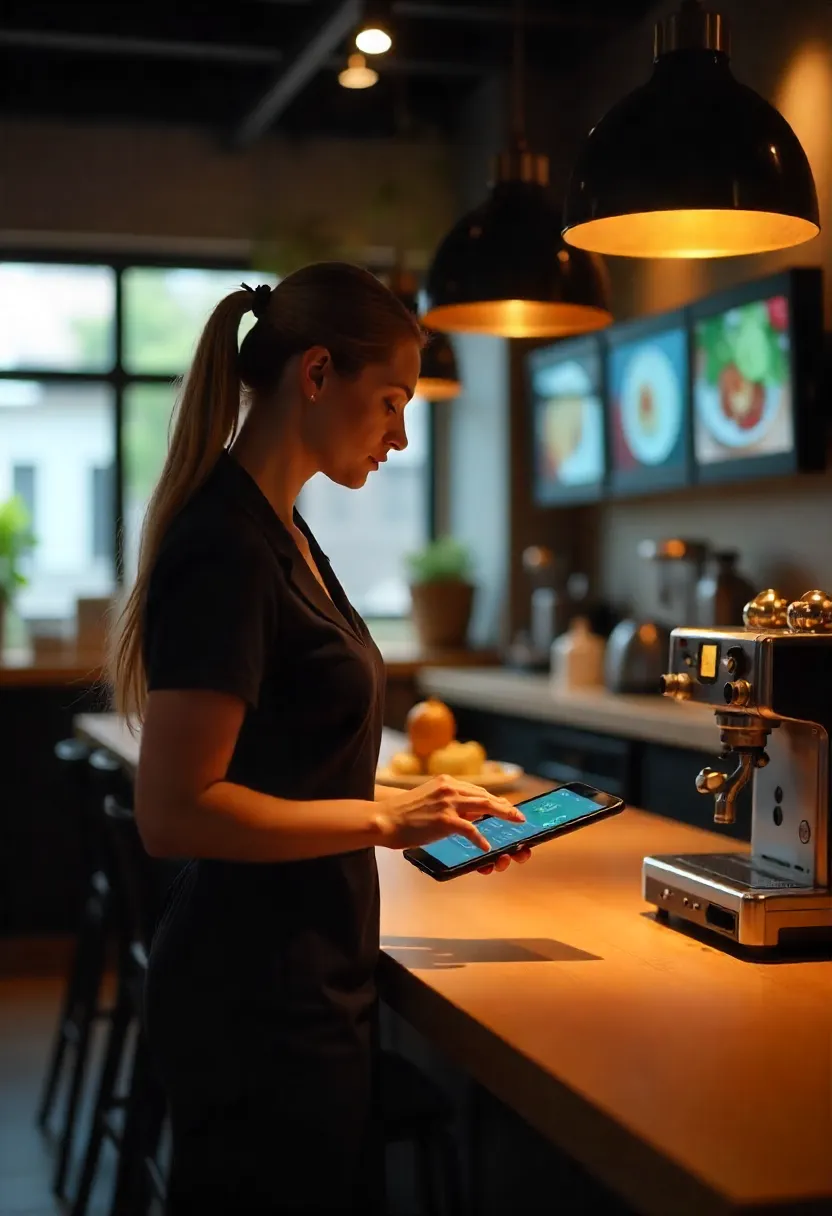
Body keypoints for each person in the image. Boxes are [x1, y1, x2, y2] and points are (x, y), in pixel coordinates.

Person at [112, 262, 531, 1215]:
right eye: (389, 400)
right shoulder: (227, 545)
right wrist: (382, 826)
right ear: (314, 374)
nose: (400, 433)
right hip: (258, 999)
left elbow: (287, 769)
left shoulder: (282, 532)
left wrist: (406, 806)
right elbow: (176, 812)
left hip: (302, 979)